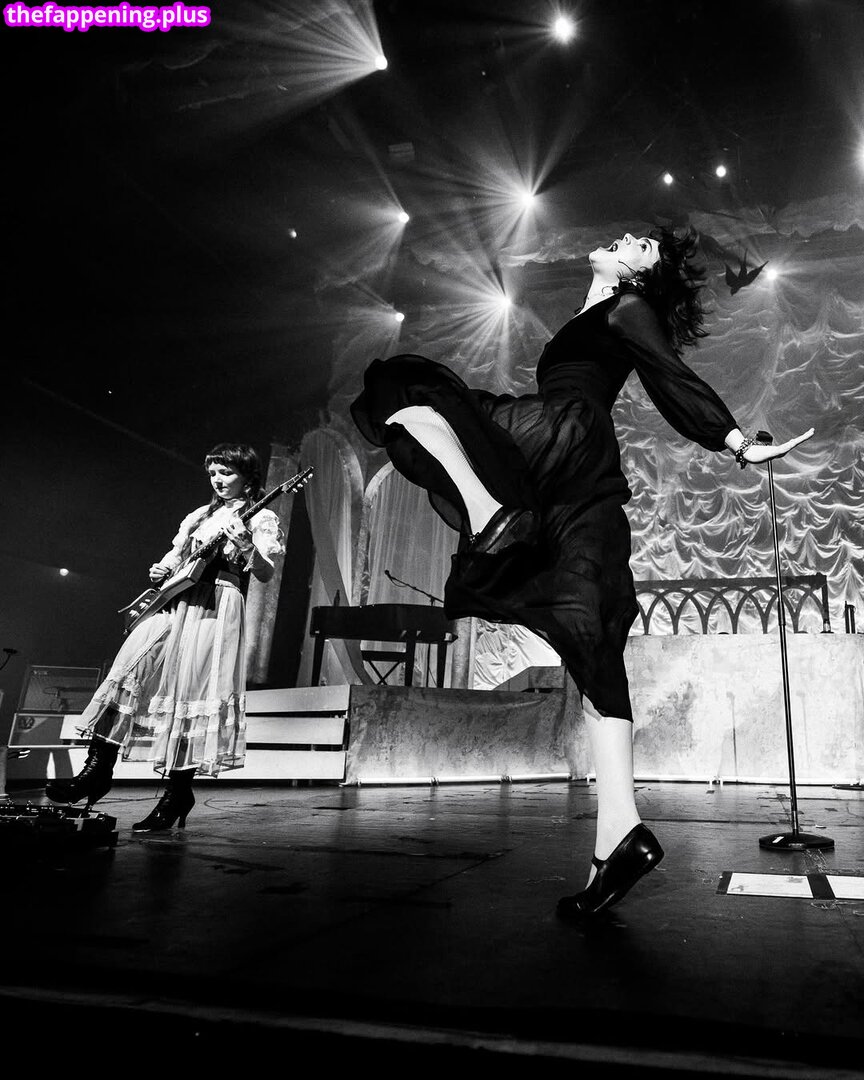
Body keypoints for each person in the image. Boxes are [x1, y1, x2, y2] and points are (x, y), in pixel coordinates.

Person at [350, 228, 813, 917]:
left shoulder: (628, 307)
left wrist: (737, 443)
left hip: (564, 438)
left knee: (403, 389)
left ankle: (489, 512)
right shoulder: (600, 309)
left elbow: (670, 379)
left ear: (642, 277)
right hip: (581, 481)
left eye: (645, 246)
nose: (630, 237)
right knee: (591, 637)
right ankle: (618, 835)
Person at [45, 443, 285, 832]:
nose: (217, 480)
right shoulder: (199, 516)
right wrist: (161, 569)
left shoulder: (261, 515)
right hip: (175, 601)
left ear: (247, 476)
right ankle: (96, 770)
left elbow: (266, 572)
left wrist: (245, 545)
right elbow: (175, 558)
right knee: (131, 668)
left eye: (226, 472)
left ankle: (177, 793)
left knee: (190, 692)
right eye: (212, 473)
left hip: (217, 604)